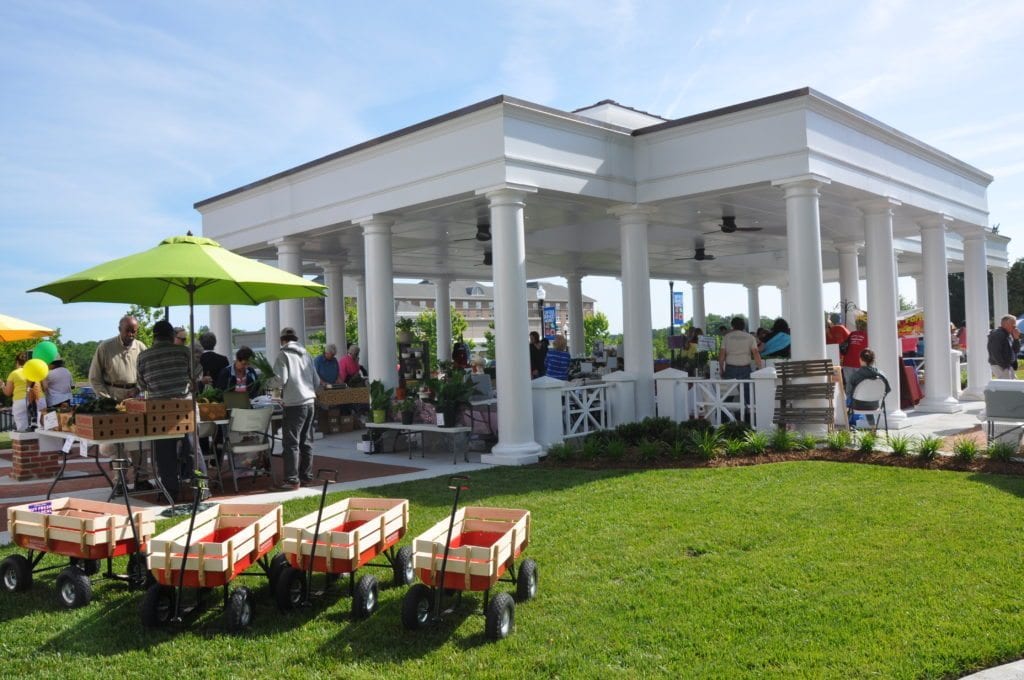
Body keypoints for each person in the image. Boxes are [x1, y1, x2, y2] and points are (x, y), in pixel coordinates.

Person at [137, 320, 201, 500]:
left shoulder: (143, 356)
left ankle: (169, 493)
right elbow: (196, 373)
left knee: (164, 455)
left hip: (159, 410)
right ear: (172, 335)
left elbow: (142, 384)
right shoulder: (184, 352)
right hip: (184, 408)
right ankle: (200, 488)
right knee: (192, 450)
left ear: (154, 337)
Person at [89, 315, 150, 490]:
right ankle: (120, 480)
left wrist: (138, 389)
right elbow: (94, 378)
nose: (131, 334)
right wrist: (107, 400)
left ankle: (141, 478)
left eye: (134, 331)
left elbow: (147, 375)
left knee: (139, 439)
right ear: (119, 329)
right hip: (112, 396)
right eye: (128, 330)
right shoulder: (105, 347)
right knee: (117, 442)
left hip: (135, 397)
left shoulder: (141, 348)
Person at [272, 326, 320, 490]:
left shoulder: (283, 354)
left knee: (291, 442)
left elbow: (280, 380)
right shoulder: (307, 354)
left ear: (282, 340)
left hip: (294, 404)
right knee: (306, 441)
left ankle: (292, 480)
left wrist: (270, 385)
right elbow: (316, 381)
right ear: (296, 339)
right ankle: (306, 476)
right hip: (310, 401)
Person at [3, 352, 44, 431]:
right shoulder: (36, 371)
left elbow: (8, 392)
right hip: (39, 398)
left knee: (22, 427)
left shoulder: (14, 373)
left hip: (21, 400)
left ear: (17, 362)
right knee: (42, 427)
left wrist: (2, 386)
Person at [846, 348, 892, 417]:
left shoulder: (855, 376)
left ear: (860, 359)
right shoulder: (882, 375)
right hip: (874, 406)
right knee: (868, 399)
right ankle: (872, 423)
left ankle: (849, 421)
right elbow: (888, 390)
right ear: (873, 360)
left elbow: (848, 392)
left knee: (848, 401)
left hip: (857, 406)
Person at [987, 314, 1021, 379]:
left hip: (1007, 365)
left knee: (1014, 383)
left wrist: (1016, 339)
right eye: (1013, 325)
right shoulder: (998, 334)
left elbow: (1016, 350)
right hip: (1000, 365)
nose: (1015, 327)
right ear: (1005, 324)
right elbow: (995, 352)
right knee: (1008, 384)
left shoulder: (1008, 334)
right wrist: (1004, 366)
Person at [841, 318, 869, 385]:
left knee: (849, 385)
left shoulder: (852, 334)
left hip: (847, 363)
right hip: (859, 364)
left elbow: (845, 345)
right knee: (859, 386)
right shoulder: (867, 336)